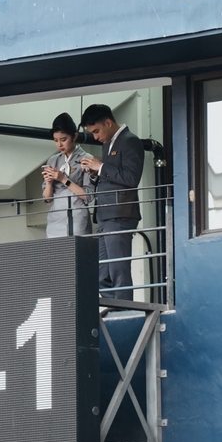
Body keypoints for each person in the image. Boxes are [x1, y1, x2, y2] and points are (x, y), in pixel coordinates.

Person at [79, 104, 144, 300]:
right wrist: (94, 172)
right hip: (104, 215)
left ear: (108, 122)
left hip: (120, 214)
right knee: (102, 273)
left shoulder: (130, 141)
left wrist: (100, 167)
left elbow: (131, 178)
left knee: (118, 269)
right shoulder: (108, 143)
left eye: (96, 131)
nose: (95, 137)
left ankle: (124, 311)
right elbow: (110, 176)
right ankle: (114, 308)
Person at [42, 112, 93, 238]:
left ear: (74, 136)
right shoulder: (53, 160)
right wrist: (48, 183)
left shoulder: (86, 158)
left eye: (63, 140)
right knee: (56, 249)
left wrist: (63, 179)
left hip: (77, 214)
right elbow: (47, 199)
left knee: (78, 247)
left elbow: (88, 196)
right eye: (56, 140)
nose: (59, 145)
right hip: (56, 216)